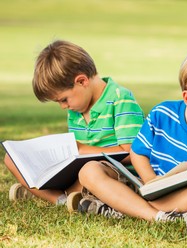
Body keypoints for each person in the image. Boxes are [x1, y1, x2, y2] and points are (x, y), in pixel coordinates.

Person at [75, 48, 187, 234]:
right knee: (89, 170)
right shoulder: (163, 114)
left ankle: (125, 209)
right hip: (148, 186)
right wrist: (151, 182)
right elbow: (138, 152)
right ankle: (158, 217)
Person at [4, 40, 145, 207]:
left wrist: (82, 150)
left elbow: (133, 154)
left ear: (82, 81)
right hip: (80, 171)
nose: (63, 107)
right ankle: (61, 199)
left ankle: (52, 194)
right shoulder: (76, 109)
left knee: (88, 174)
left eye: (64, 100)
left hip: (114, 174)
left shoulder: (120, 99)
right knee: (12, 159)